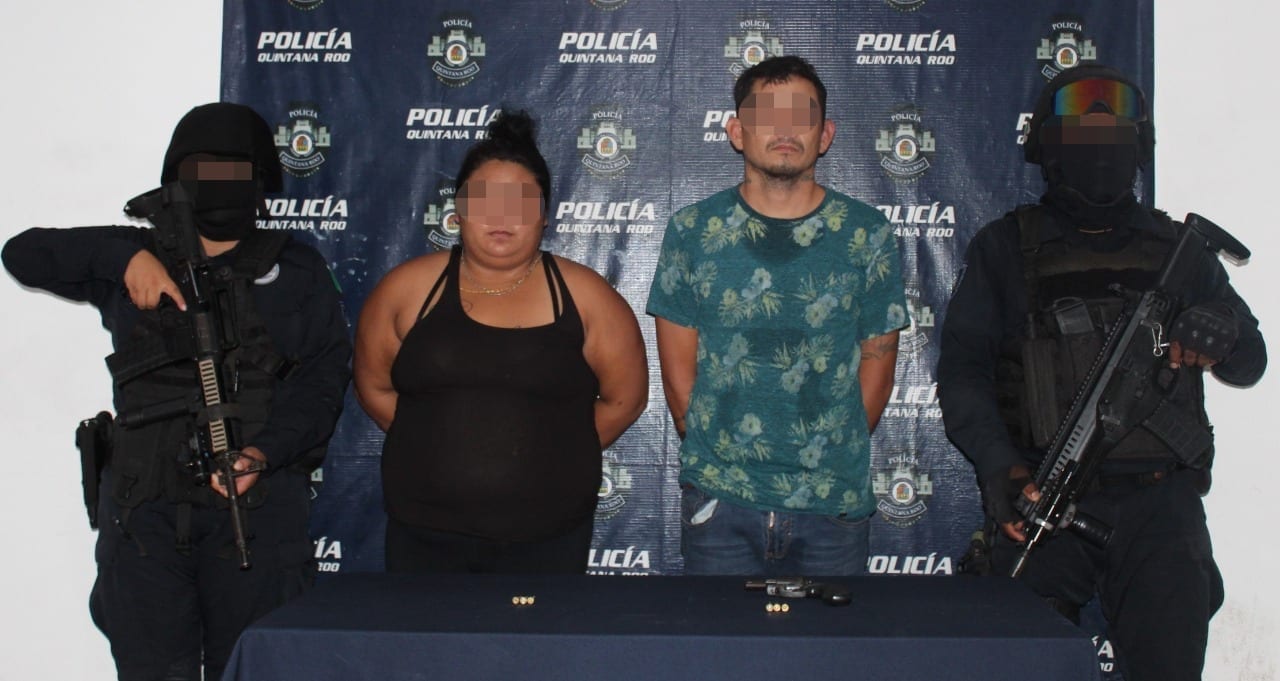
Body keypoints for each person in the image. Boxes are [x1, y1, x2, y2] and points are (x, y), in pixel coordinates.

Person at [937, 65, 1266, 681]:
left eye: (1113, 133)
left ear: (1139, 146)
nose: (1098, 148)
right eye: (1080, 132)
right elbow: (963, 373)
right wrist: (1000, 468)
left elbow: (1250, 363)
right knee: (1016, 662)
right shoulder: (1005, 247)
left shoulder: (1178, 251)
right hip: (1045, 490)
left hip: (1160, 507)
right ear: (1048, 146)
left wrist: (1219, 328)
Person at [2, 102, 352, 680]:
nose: (220, 184)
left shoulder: (296, 269)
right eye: (204, 169)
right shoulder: (135, 256)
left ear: (261, 181)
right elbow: (22, 252)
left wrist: (262, 452)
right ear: (176, 179)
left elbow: (322, 383)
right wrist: (124, 256)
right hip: (144, 513)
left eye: (235, 170)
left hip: (255, 509)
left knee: (252, 669)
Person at [353, 110, 647, 574]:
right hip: (423, 535)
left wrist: (554, 450)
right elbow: (373, 385)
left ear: (544, 216)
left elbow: (625, 399)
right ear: (458, 212)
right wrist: (432, 440)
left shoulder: (589, 298)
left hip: (549, 538)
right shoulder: (404, 290)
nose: (502, 217)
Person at [646, 55, 907, 576]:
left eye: (801, 116)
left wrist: (829, 455)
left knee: (833, 636)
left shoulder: (867, 233)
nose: (785, 130)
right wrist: (718, 466)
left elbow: (878, 364)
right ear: (736, 131)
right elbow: (678, 374)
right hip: (720, 500)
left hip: (833, 504)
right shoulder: (692, 230)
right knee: (718, 635)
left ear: (825, 134)